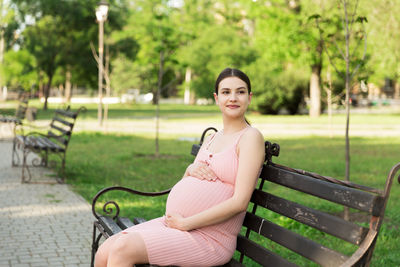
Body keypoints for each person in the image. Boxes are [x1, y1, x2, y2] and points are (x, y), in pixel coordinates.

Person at [94, 67, 265, 267]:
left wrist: (186, 223)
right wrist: (189, 171)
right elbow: (188, 181)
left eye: (240, 92)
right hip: (178, 226)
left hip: (210, 238)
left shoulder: (250, 138)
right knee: (105, 250)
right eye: (226, 92)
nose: (233, 98)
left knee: (123, 249)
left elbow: (239, 202)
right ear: (217, 98)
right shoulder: (212, 138)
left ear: (249, 97)